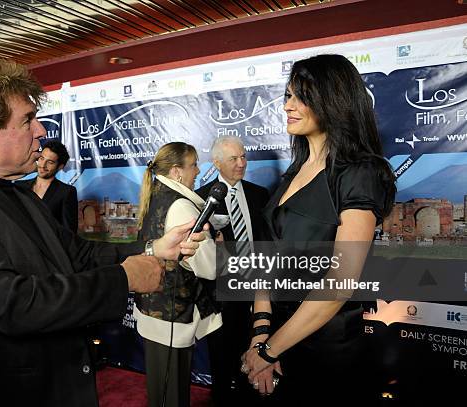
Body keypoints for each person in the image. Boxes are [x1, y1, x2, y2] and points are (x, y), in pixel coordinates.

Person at [0, 60, 208, 407]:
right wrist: (124, 279)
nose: (40, 131)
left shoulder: (18, 194)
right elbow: (13, 304)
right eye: (27, 120)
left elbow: (78, 255)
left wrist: (154, 248)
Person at [241, 54, 396, 405]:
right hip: (277, 336)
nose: (287, 106)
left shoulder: (360, 172)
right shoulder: (292, 172)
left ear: (332, 100)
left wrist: (267, 351)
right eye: (288, 95)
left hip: (327, 347)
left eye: (300, 97)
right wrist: (261, 333)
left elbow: (339, 283)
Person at [134, 142, 222, 407]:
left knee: (163, 390)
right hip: (173, 316)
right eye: (193, 164)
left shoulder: (155, 195)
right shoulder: (182, 206)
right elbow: (208, 268)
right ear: (176, 172)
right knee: (171, 395)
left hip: (155, 311)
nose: (198, 170)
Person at [196, 136, 269, 406]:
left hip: (259, 286)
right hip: (223, 292)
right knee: (223, 354)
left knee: (256, 347)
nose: (241, 164)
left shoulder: (260, 194)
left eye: (243, 157)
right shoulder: (203, 198)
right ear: (216, 163)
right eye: (233, 159)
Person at [17, 140, 78, 232]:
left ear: (60, 166)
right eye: (41, 158)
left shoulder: (66, 192)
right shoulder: (19, 187)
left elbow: (69, 231)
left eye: (50, 162)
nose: (43, 165)